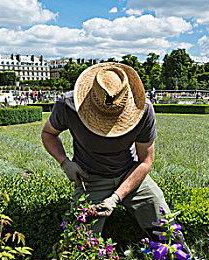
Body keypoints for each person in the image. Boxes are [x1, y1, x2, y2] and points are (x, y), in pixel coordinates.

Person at [41, 62, 171, 236]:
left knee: (164, 226)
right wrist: (64, 163)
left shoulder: (143, 110)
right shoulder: (68, 105)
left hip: (129, 174)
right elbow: (48, 133)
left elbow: (145, 161)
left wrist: (116, 197)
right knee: (80, 239)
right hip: (90, 178)